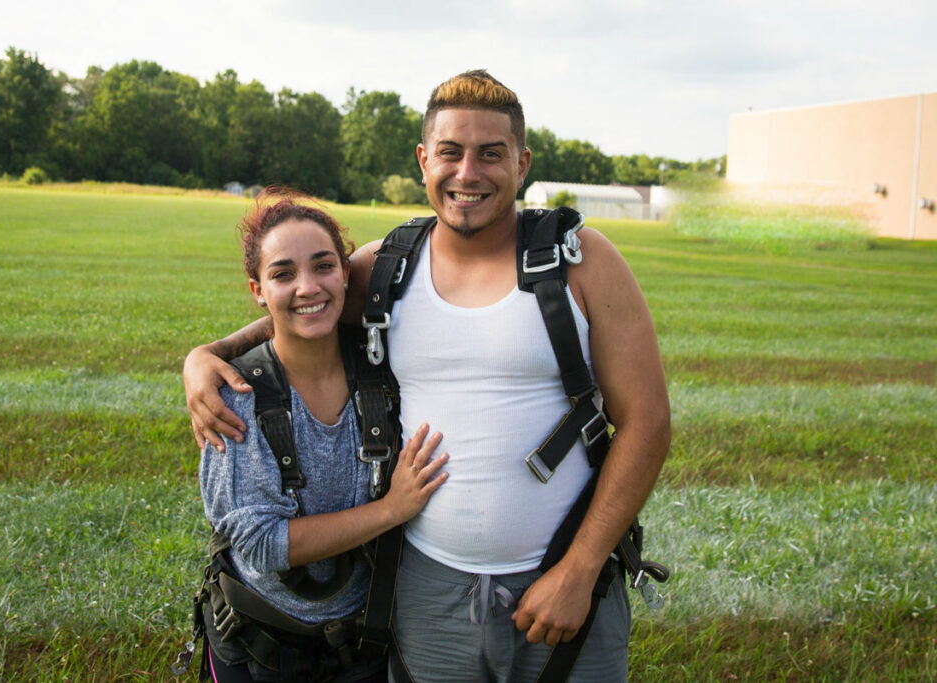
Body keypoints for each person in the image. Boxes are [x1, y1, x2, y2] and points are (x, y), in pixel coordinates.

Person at [184, 72, 671, 682]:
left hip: (566, 581)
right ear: (423, 160)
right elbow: (307, 305)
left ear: (522, 163)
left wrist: (579, 570)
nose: (468, 173)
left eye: (490, 153)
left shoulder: (581, 261)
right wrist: (206, 355)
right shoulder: (389, 266)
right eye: (450, 152)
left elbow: (647, 423)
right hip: (424, 589)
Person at [195, 191, 448, 682]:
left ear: (347, 274)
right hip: (260, 647)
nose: (308, 287)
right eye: (283, 274)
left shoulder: (387, 369)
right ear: (257, 290)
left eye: (323, 266)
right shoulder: (236, 396)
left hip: (365, 642)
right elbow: (262, 543)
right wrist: (392, 509)